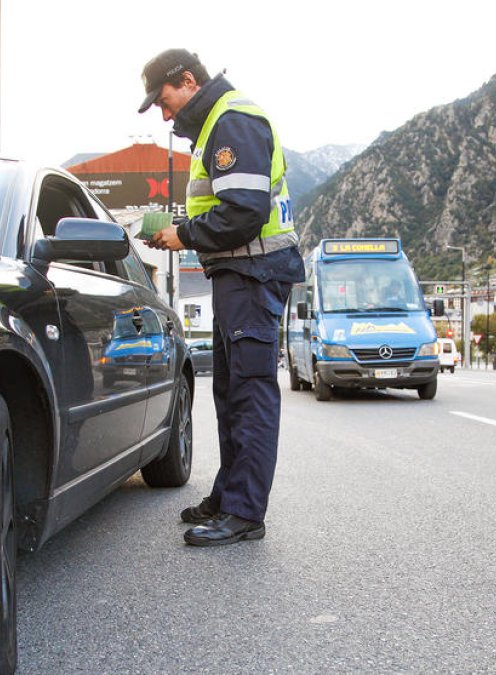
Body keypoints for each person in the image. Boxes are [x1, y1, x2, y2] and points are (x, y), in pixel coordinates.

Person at [138, 48, 304, 546]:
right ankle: (229, 495)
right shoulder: (217, 125)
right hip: (239, 272)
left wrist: (182, 236)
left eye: (166, 102)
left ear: (188, 81)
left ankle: (245, 513)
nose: (167, 116)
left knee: (249, 394)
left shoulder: (232, 121)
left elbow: (245, 212)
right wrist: (183, 230)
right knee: (230, 393)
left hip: (254, 272)